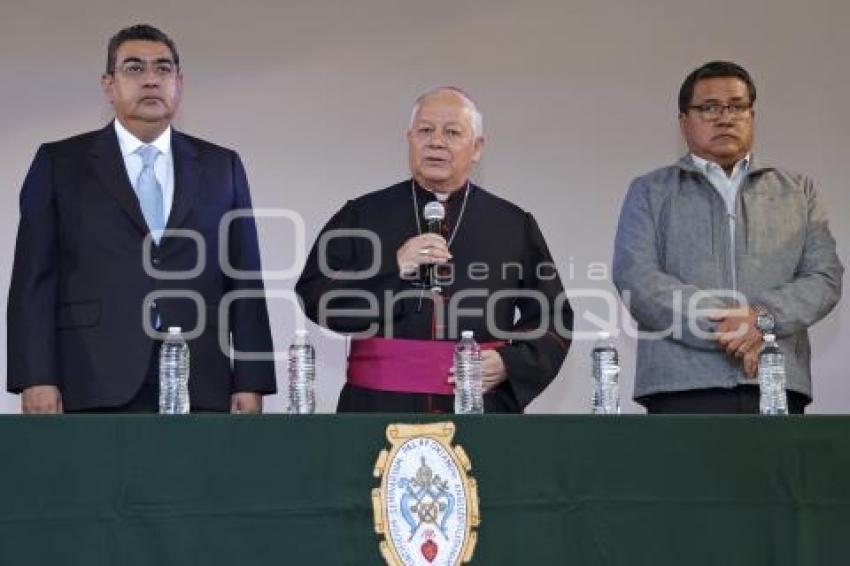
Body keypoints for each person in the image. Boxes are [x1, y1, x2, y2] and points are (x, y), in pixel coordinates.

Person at [7, 24, 276, 413]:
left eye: (163, 69)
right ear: (108, 85)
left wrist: (252, 380)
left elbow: (244, 276)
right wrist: (34, 376)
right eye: (134, 69)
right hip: (90, 376)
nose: (151, 79)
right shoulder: (60, 163)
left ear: (179, 83)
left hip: (199, 378)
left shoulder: (222, 166)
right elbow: (33, 279)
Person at [296, 87, 572, 413]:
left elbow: (553, 317)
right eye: (425, 130)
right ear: (410, 139)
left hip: (480, 407)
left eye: (452, 132)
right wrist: (392, 266)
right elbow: (316, 295)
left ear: (477, 148)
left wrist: (509, 362)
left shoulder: (513, 224)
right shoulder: (362, 215)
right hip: (377, 408)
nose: (436, 142)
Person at [613, 61, 843, 414]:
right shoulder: (650, 191)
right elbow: (637, 278)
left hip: (776, 381)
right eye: (709, 108)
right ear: (683, 121)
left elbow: (824, 278)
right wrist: (730, 327)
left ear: (751, 115)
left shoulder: (798, 191)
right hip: (681, 387)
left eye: (736, 107)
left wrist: (761, 318)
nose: (725, 118)